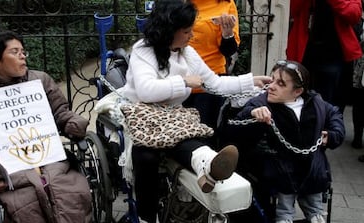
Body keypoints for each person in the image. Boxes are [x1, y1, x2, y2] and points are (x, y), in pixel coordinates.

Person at [116, 0, 271, 222]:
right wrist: (184, 82)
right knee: (146, 155)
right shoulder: (143, 50)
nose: (191, 36)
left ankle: (210, 166)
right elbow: (146, 91)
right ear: (169, 31)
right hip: (141, 115)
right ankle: (146, 217)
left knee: (187, 138)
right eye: (187, 31)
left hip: (171, 116)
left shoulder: (187, 53)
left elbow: (215, 84)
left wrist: (250, 82)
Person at [0, 30, 92, 222]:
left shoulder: (40, 80)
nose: (22, 56)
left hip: (49, 157)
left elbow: (60, 111)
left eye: (23, 51)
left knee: (66, 191)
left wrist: (73, 123)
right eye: (15, 52)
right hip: (13, 166)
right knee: (27, 201)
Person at [229, 60, 345, 223]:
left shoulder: (315, 103)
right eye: (272, 79)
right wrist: (252, 113)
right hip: (281, 173)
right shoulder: (263, 103)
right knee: (284, 216)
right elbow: (236, 124)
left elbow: (335, 115)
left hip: (312, 172)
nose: (271, 86)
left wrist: (333, 135)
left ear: (297, 91)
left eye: (281, 83)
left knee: (317, 215)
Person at [286, 0, 362, 113]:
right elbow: (292, 10)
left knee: (330, 105)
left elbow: (354, 15)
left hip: (334, 56)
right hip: (305, 54)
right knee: (300, 101)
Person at [184, 0, 240, 147]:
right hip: (179, 79)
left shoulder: (226, 4)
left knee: (206, 138)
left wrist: (227, 33)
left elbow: (229, 50)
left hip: (210, 81)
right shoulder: (178, 3)